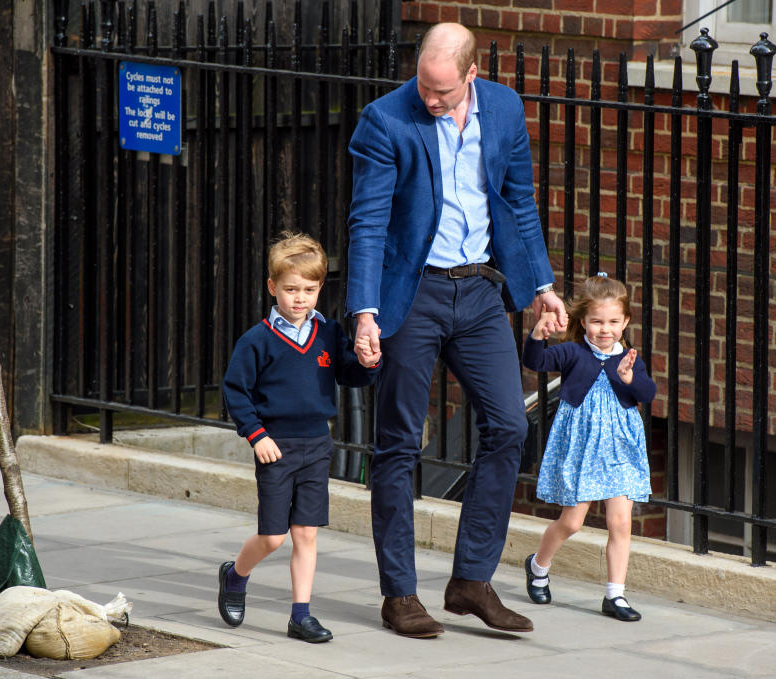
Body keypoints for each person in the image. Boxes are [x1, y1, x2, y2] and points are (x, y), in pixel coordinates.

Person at [347, 22, 568, 638]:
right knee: (397, 444)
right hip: (411, 295)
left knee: (509, 424)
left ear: (471, 74)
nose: (430, 99)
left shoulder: (503, 108)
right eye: (423, 84)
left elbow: (519, 202)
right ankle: (399, 594)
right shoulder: (386, 120)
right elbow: (367, 222)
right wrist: (365, 311)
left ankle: (471, 579)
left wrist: (542, 287)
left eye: (442, 90)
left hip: (478, 292)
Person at [217, 231, 381, 643]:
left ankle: (301, 615)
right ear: (272, 288)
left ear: (320, 289)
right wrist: (257, 436)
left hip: (316, 446)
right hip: (275, 447)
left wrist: (367, 362)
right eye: (291, 289)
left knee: (306, 533)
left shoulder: (328, 334)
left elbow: (349, 374)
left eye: (309, 289)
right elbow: (235, 392)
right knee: (273, 536)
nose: (300, 298)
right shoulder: (256, 341)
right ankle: (235, 575)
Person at [521, 274, 656, 622]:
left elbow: (647, 393)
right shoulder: (572, 352)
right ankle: (538, 566)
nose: (605, 329)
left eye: (613, 321)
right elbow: (535, 362)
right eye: (597, 321)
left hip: (620, 450)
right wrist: (537, 335)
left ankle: (616, 595)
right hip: (582, 448)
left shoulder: (628, 358)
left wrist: (630, 379)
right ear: (584, 321)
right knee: (572, 523)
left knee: (620, 522)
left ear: (625, 321)